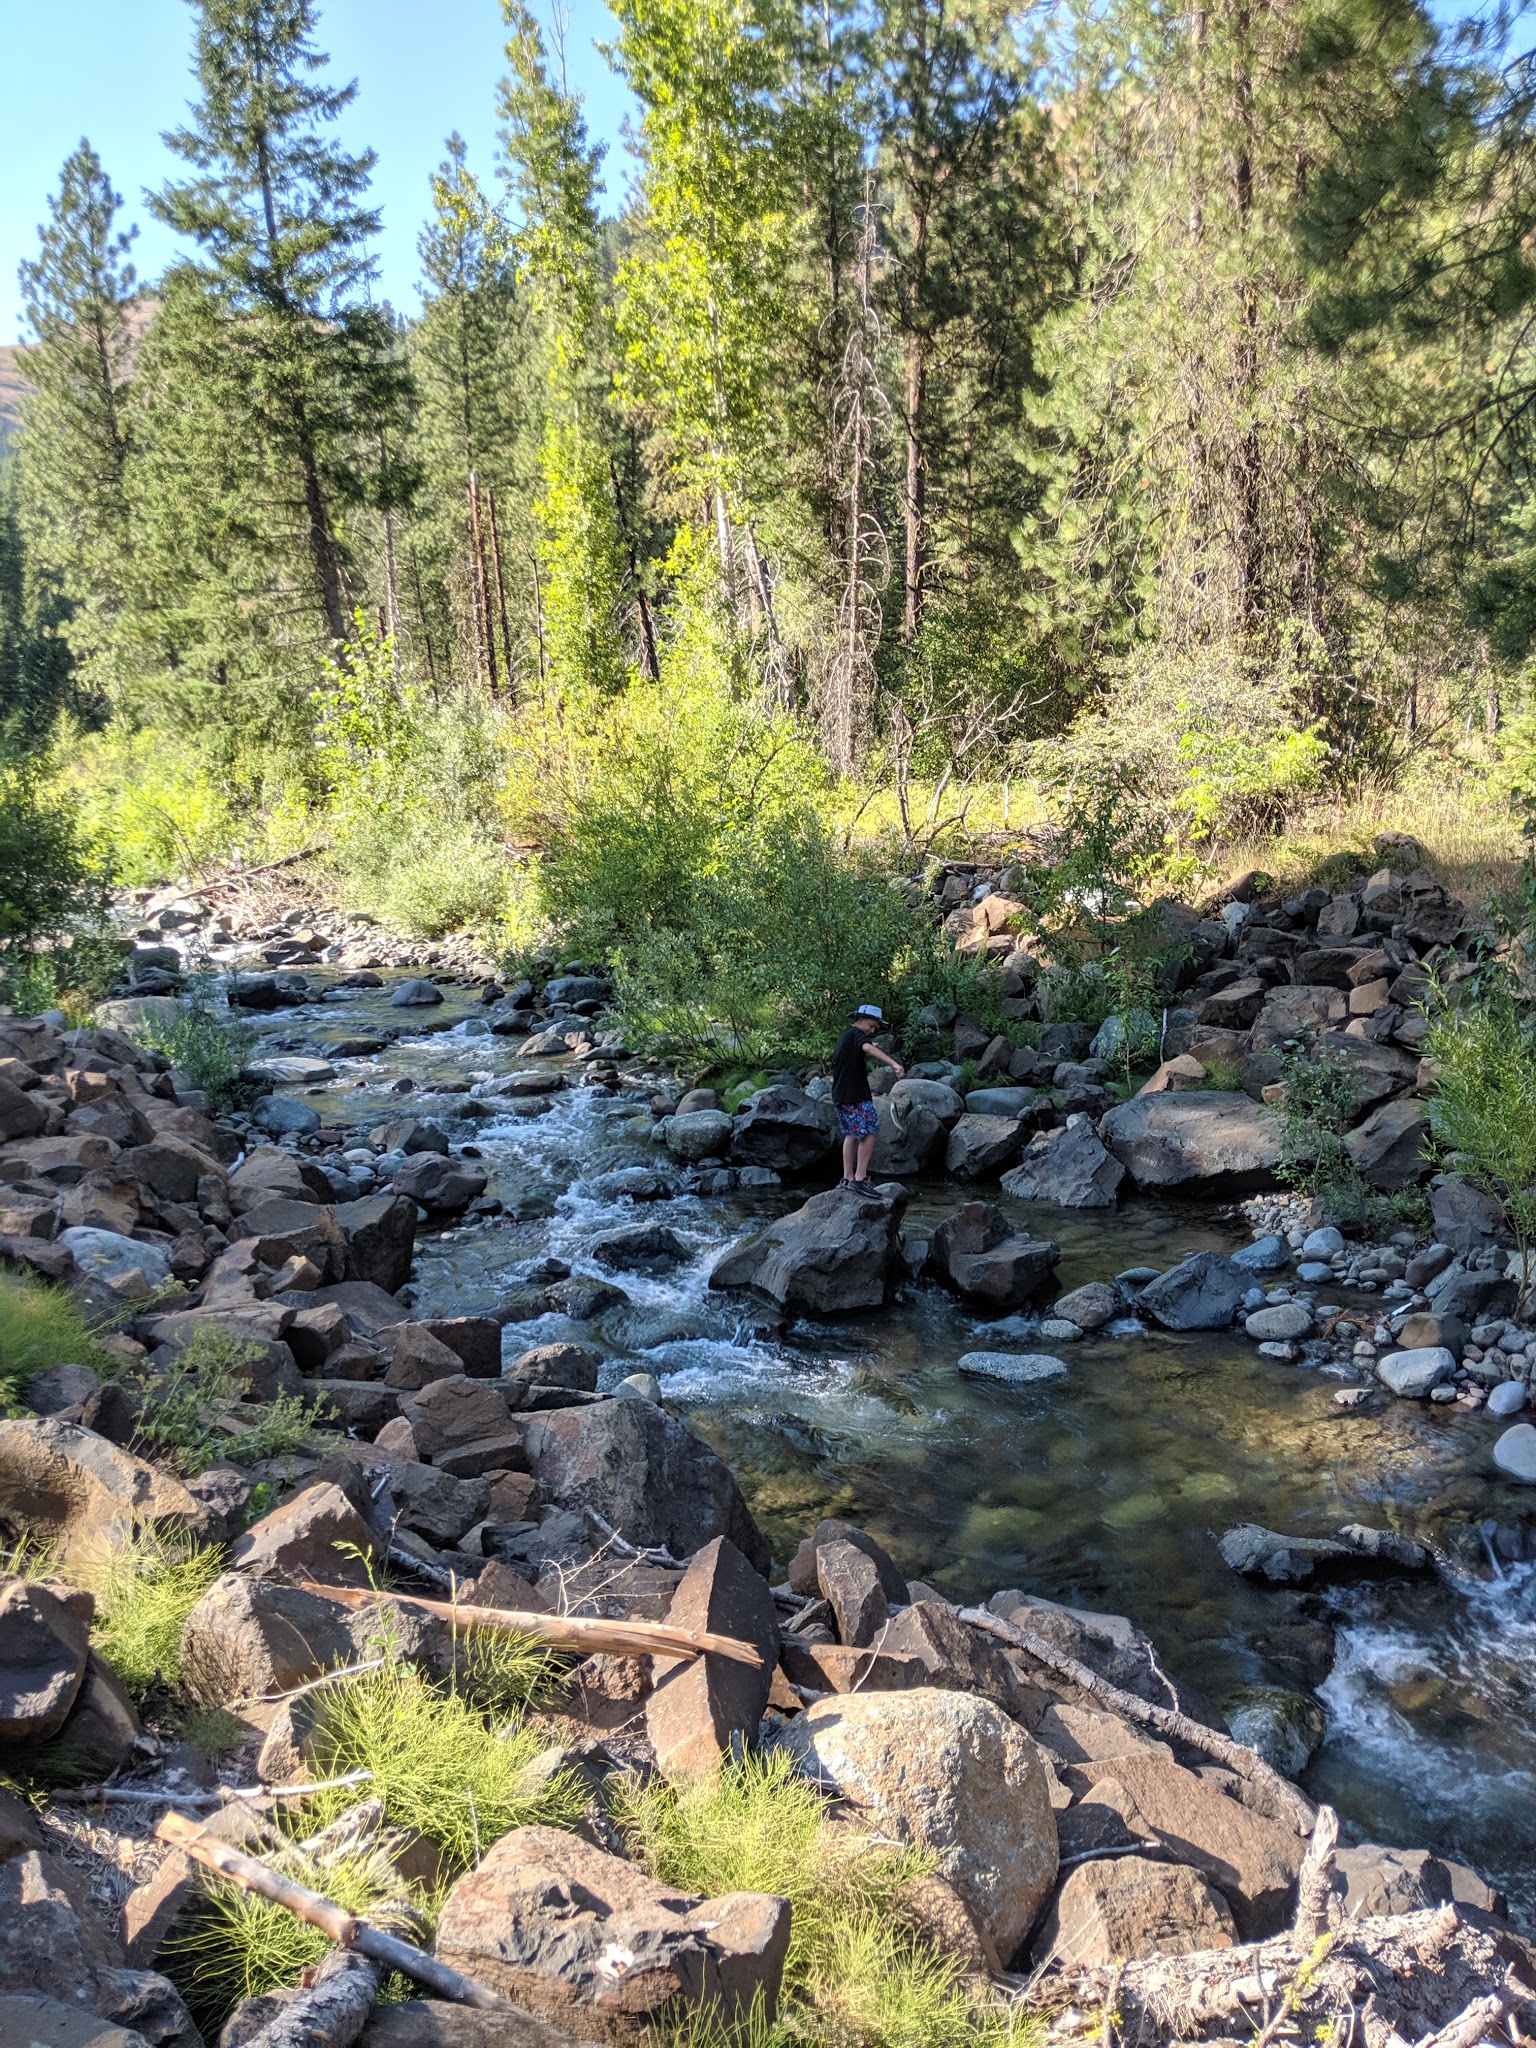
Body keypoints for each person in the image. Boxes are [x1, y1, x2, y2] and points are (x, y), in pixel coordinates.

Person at [830, 1004, 905, 1190]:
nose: (875, 1028)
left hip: (842, 1094)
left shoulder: (848, 1035)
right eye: (873, 1024)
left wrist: (869, 1045)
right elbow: (867, 1048)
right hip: (855, 1095)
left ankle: (847, 1178)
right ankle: (860, 1178)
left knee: (852, 1134)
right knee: (870, 1130)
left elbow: (861, 1048)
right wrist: (894, 1064)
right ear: (861, 1018)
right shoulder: (857, 1036)